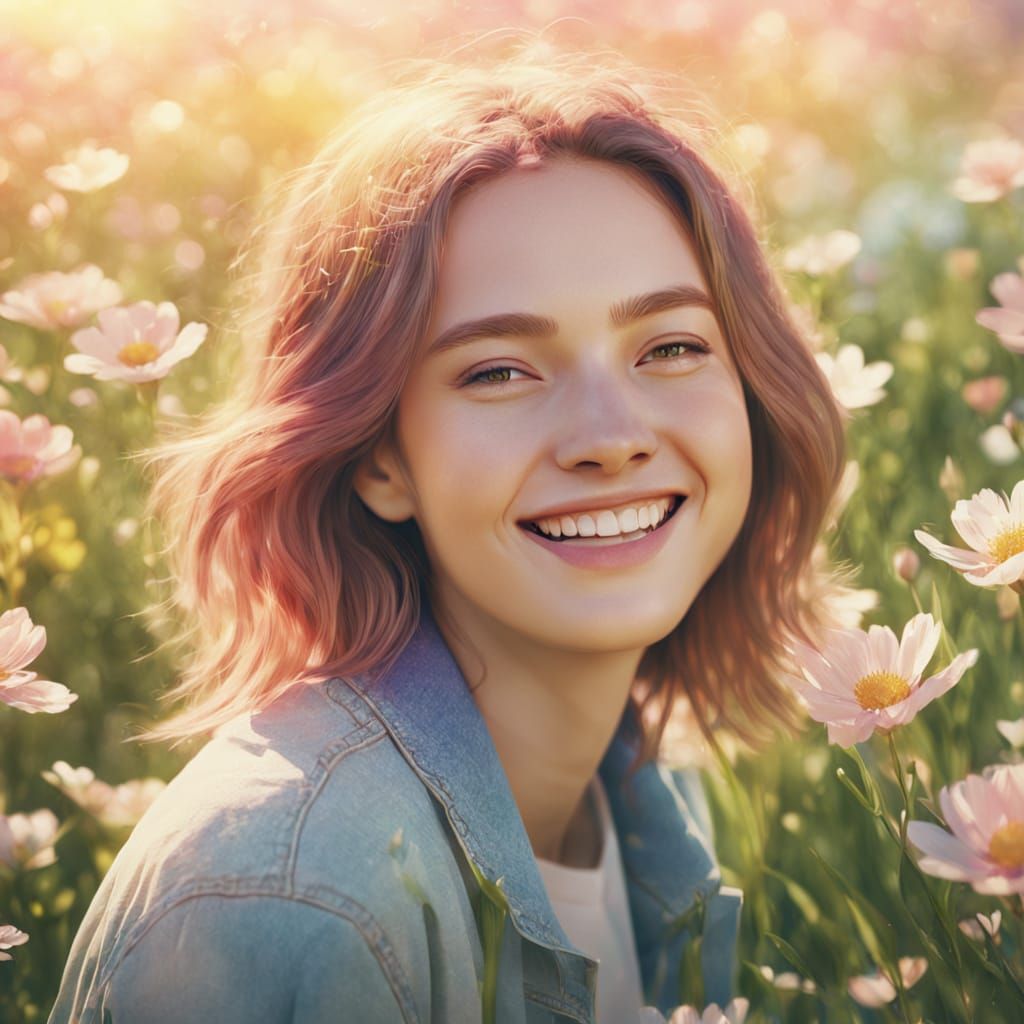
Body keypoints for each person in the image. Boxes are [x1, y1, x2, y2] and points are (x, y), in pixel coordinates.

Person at [46, 39, 847, 1024]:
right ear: (380, 456)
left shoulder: (652, 802)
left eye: (671, 346)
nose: (611, 437)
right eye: (500, 369)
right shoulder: (289, 899)